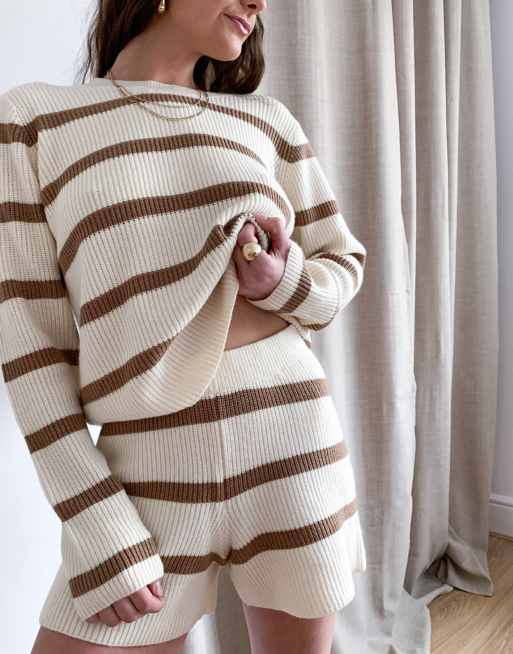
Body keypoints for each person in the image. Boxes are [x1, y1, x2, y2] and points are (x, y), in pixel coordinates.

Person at [0, 1, 368, 652]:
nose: (258, 3)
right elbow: (30, 343)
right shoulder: (35, 120)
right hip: (148, 465)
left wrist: (281, 282)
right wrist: (95, 519)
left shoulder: (265, 121)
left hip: (296, 444)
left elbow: (342, 264)